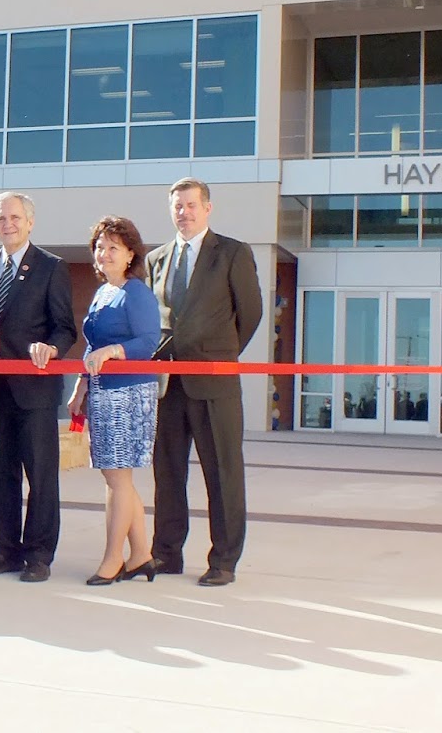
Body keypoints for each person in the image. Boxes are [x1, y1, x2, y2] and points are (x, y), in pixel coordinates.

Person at [145, 178, 263, 587]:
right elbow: (153, 319)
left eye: (192, 205)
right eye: (178, 205)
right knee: (168, 473)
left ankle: (224, 560)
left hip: (214, 383)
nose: (185, 212)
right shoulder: (157, 259)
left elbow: (249, 315)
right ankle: (166, 553)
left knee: (223, 473)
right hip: (167, 384)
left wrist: (218, 354)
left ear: (207, 208)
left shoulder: (232, 253)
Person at [0, 192, 78, 583]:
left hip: (34, 391)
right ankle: (5, 550)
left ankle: (39, 555)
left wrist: (52, 347)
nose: (8, 224)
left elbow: (65, 326)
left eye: (15, 217)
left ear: (30, 222)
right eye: (1, 218)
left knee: (40, 475)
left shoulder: (51, 267)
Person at [68, 216, 162, 585]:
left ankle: (113, 559)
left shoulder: (135, 292)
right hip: (103, 392)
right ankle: (141, 555)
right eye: (100, 247)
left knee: (117, 480)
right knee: (115, 478)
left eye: (113, 248)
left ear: (130, 254)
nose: (104, 254)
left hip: (129, 392)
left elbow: (148, 342)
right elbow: (92, 346)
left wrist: (112, 351)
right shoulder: (104, 292)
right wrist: (81, 386)